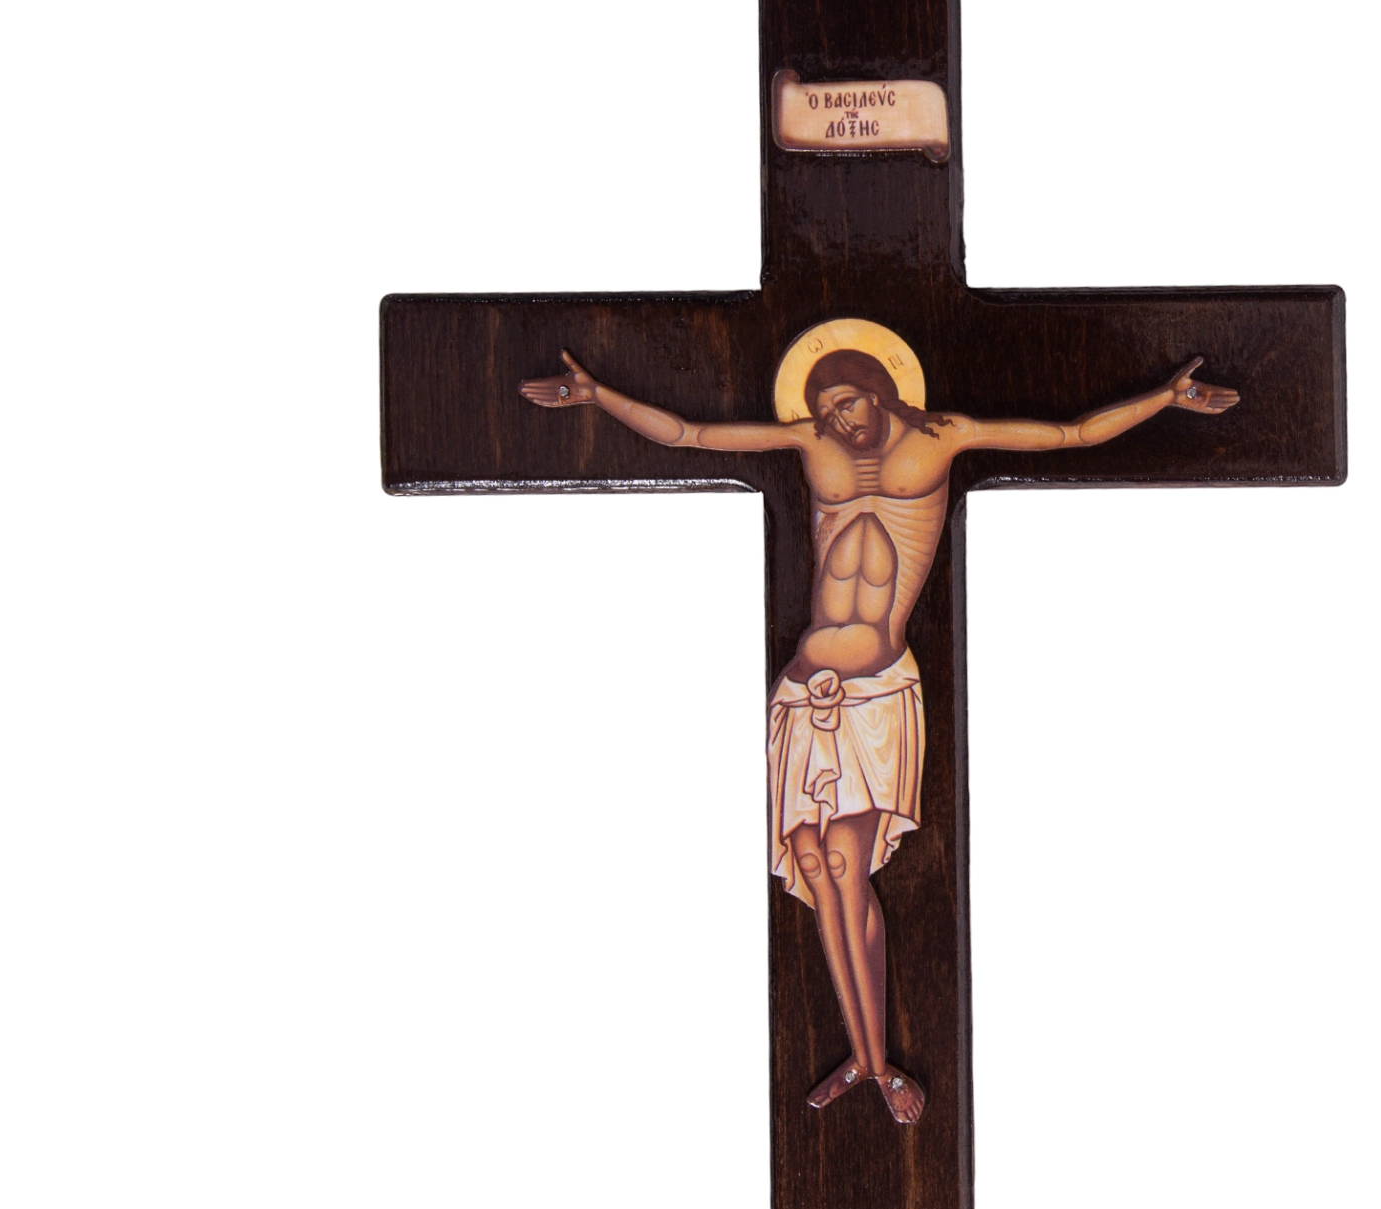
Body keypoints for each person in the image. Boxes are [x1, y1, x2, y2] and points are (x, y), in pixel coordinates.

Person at [521, 340, 1238, 1123]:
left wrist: (1164, 399)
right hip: (804, 692)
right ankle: (864, 1060)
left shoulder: (944, 436)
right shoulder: (810, 441)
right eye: (825, 411)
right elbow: (690, 434)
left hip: (874, 694)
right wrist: (598, 397)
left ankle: (879, 1062)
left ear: (880, 390)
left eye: (848, 404)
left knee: (844, 863)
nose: (838, 421)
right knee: (813, 869)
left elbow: (1070, 434)